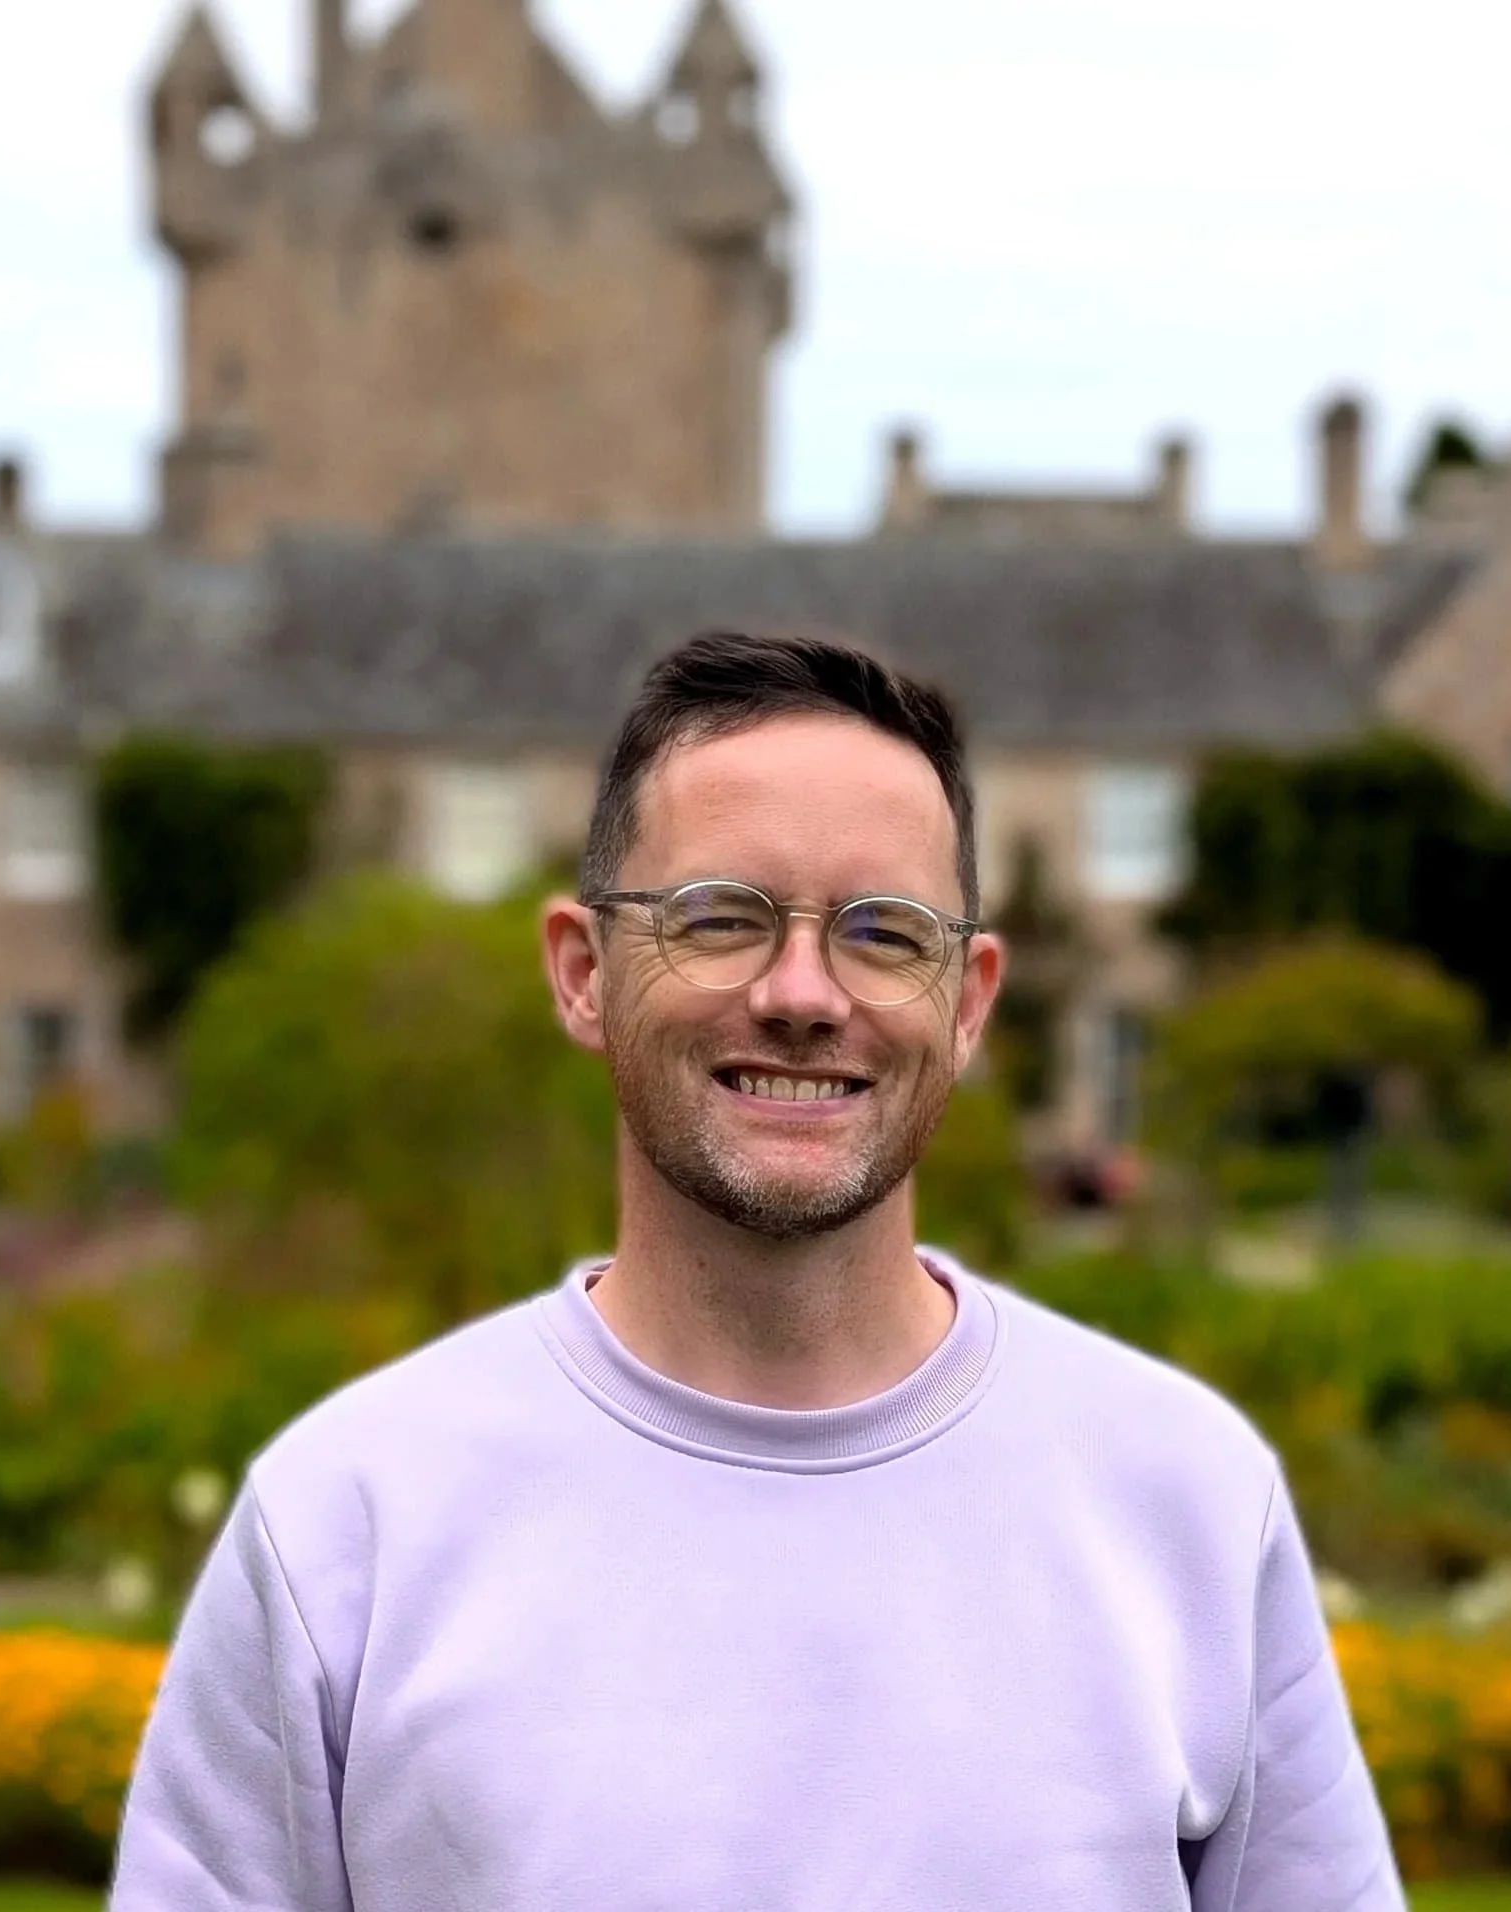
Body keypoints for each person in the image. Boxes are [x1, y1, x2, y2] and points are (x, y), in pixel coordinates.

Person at [110, 631, 1401, 1910]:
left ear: (968, 1003)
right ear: (581, 972)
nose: (801, 993)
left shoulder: (1186, 1500)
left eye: (882, 933)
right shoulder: (352, 1524)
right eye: (720, 919)